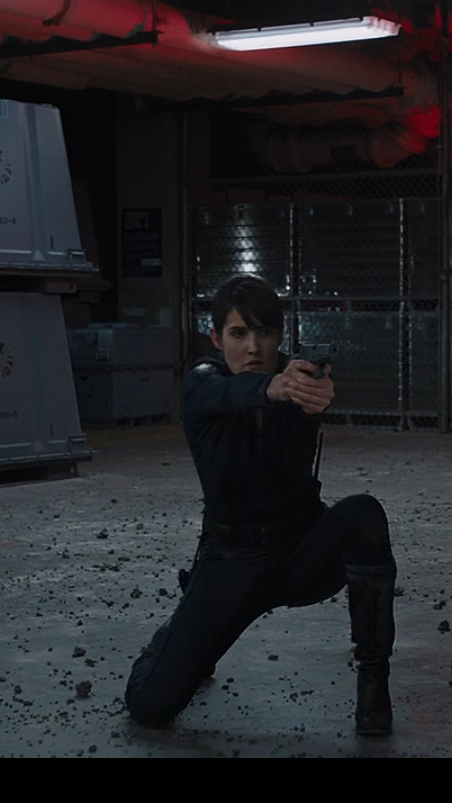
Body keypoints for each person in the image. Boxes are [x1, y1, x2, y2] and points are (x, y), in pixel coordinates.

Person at [124, 274, 398, 737]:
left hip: (300, 553)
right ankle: (177, 634)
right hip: (230, 562)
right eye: (238, 334)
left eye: (264, 333)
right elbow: (226, 392)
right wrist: (274, 389)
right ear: (216, 338)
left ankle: (374, 682)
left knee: (363, 514)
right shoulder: (203, 383)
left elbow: (304, 384)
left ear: (280, 336)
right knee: (149, 706)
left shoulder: (300, 377)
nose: (252, 348)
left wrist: (317, 390)